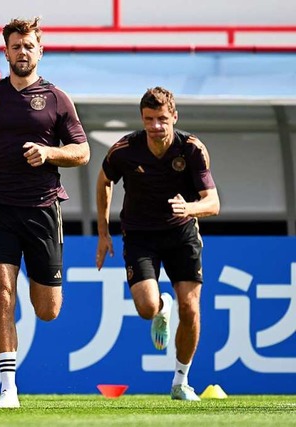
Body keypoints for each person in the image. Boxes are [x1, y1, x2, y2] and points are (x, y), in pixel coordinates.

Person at [0, 17, 90, 408]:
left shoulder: (58, 99)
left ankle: (37, 282)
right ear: (5, 51)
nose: (22, 52)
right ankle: (8, 388)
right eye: (16, 46)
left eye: (29, 46)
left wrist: (49, 153)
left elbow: (82, 151)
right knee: (1, 293)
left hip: (43, 210)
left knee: (48, 311)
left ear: (40, 51)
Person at [95, 87, 220, 401]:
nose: (156, 126)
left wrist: (189, 208)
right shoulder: (124, 150)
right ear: (142, 118)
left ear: (174, 117)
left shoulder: (192, 149)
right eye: (149, 119)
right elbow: (103, 181)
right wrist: (103, 231)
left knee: (190, 308)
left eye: (162, 119)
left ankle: (181, 382)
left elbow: (213, 202)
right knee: (147, 308)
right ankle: (163, 307)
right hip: (140, 235)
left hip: (182, 234)